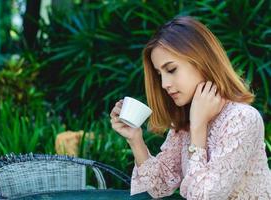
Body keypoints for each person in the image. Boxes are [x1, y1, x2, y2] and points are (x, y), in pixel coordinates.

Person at [110, 16, 271, 199]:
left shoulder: (243, 118)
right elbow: (159, 186)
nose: (164, 84)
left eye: (171, 70)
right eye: (159, 74)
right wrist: (135, 139)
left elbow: (203, 196)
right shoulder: (187, 117)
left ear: (201, 61)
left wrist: (198, 128)